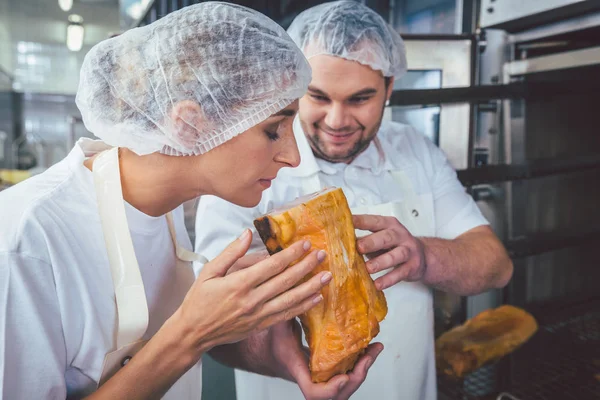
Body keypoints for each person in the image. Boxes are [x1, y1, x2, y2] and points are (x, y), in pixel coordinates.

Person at [0, 3, 376, 399]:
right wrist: (191, 334)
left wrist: (282, 354)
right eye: (273, 129)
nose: (293, 156)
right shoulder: (26, 241)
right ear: (189, 124)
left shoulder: (164, 207)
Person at [194, 1, 514, 400]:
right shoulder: (242, 160)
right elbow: (211, 329)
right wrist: (282, 360)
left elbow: (495, 266)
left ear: (389, 88)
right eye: (318, 97)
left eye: (360, 99)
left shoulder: (414, 150)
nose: (337, 121)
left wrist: (422, 257)